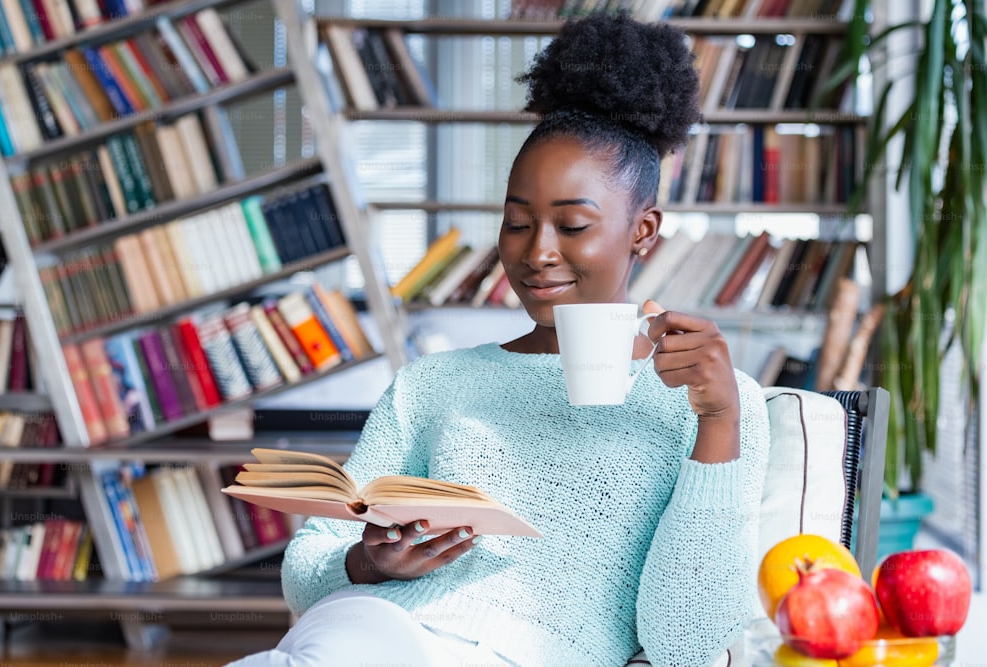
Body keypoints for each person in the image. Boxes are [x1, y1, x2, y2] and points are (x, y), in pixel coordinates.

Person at [227, 11, 769, 667]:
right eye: (517, 222)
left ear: (643, 230)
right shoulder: (435, 383)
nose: (537, 252)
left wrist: (718, 424)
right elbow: (305, 570)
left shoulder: (716, 404)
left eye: (572, 225)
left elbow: (684, 646)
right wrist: (368, 560)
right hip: (363, 635)